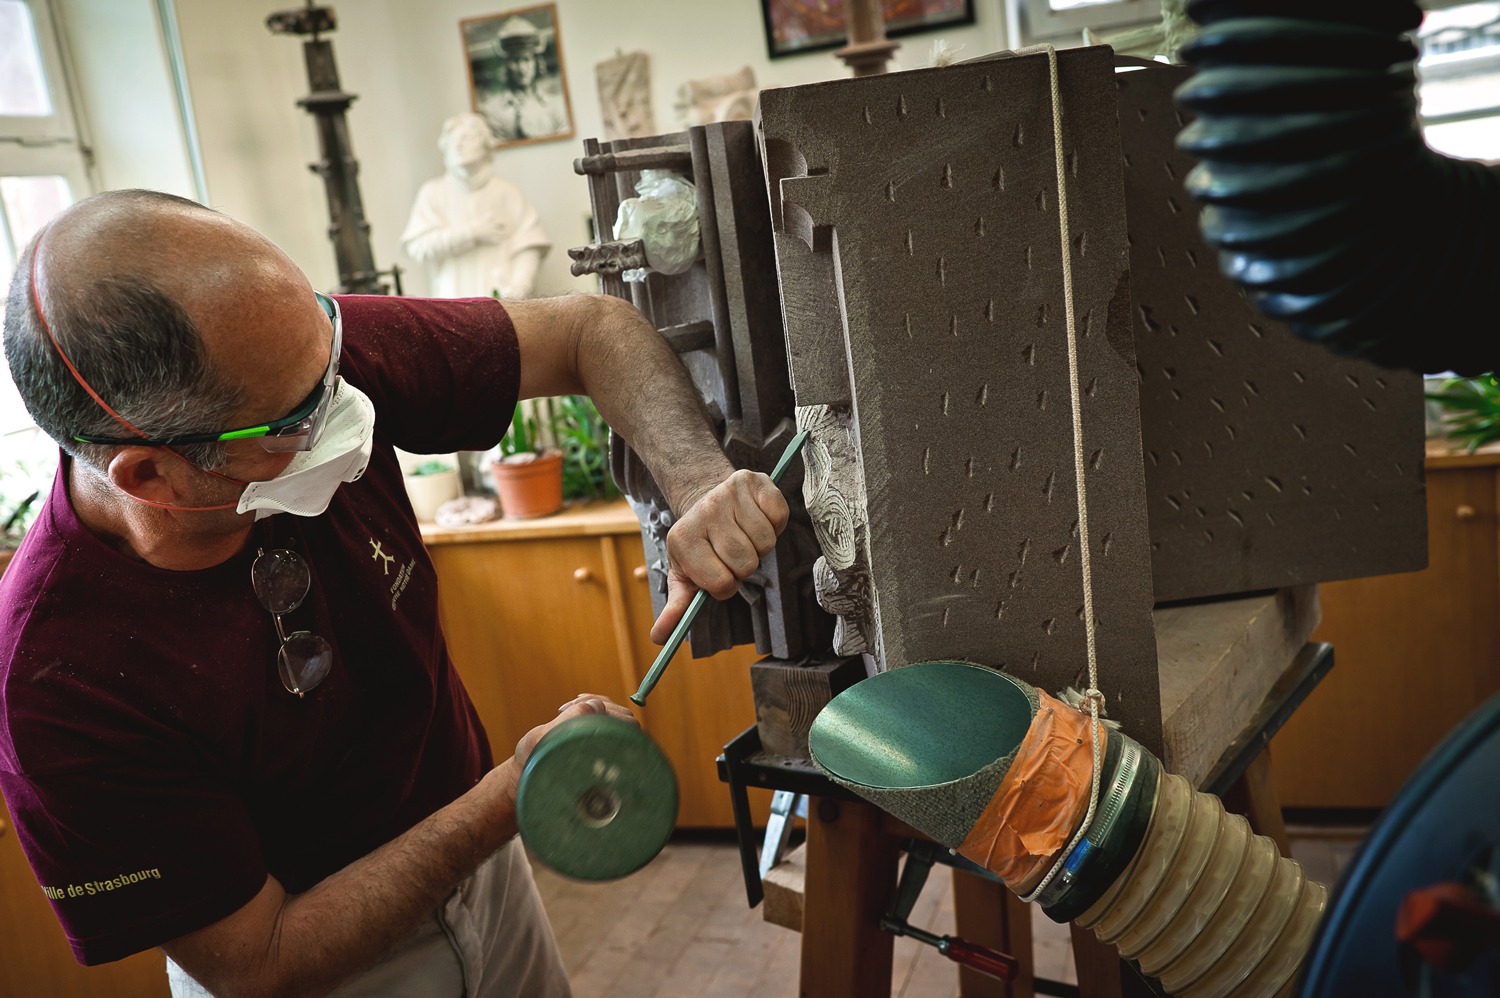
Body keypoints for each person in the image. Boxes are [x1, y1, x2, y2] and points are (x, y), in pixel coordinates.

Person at [0, 189, 788, 997]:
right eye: (303, 420)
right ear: (150, 473)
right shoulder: (61, 678)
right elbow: (259, 961)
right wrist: (506, 799)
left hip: (487, 871)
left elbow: (592, 330)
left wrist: (697, 481)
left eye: (332, 358)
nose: (347, 407)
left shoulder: (298, 359)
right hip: (320, 964)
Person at [401, 113, 550, 300]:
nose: (458, 145)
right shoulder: (432, 193)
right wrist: (472, 233)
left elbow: (529, 245)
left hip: (503, 304)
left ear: (485, 145)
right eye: (452, 140)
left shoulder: (506, 192)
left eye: (467, 138)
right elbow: (419, 247)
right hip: (453, 303)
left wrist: (519, 286)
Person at [478, 16, 569, 143]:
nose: (522, 68)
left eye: (526, 59)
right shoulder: (491, 111)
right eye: (515, 61)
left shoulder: (556, 104)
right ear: (506, 65)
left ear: (536, 62)